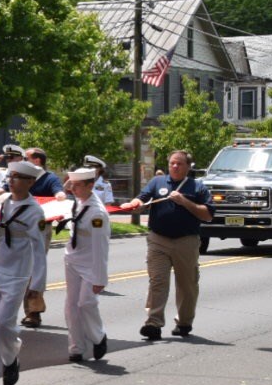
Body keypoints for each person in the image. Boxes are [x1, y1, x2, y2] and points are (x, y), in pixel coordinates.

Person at [117, 149, 213, 340]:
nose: (175, 166)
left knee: (187, 285)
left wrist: (184, 201)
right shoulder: (157, 182)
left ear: (188, 167)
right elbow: (143, 197)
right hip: (158, 240)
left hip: (186, 241)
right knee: (157, 281)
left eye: (179, 163)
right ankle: (153, 323)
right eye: (172, 163)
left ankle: (184, 322)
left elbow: (207, 215)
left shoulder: (198, 187)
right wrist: (134, 203)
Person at [0, 160, 46, 385]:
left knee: (4, 323)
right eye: (10, 176)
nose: (11, 181)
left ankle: (10, 357)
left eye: (17, 177)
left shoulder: (35, 211)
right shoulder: (4, 202)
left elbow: (40, 249)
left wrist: (37, 285)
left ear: (30, 182)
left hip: (17, 273)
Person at [60, 167, 112, 364]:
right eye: (72, 184)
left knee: (86, 303)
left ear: (91, 186)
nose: (72, 188)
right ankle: (76, 348)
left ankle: (98, 337)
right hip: (73, 260)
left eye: (77, 185)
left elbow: (101, 248)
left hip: (91, 263)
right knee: (71, 306)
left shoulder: (97, 213)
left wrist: (100, 278)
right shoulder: (79, 203)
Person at [19, 146, 64, 329]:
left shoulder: (49, 179)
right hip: (19, 230)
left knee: (33, 270)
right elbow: (4, 191)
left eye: (25, 158)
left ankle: (34, 312)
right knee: (18, 271)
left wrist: (60, 195)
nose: (22, 160)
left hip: (39, 229)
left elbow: (58, 192)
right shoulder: (23, 177)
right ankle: (24, 310)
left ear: (37, 161)